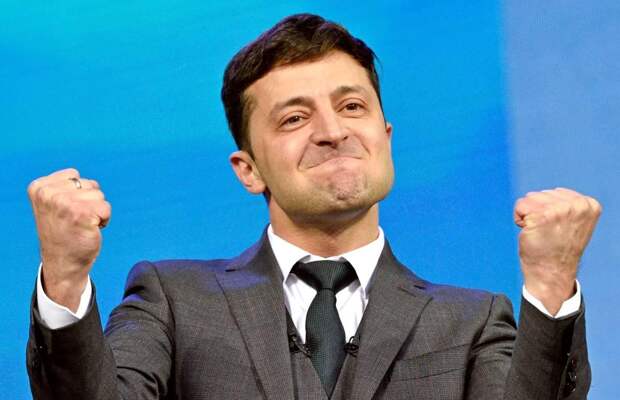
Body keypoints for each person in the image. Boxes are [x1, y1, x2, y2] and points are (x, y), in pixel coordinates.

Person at [26, 13, 600, 400]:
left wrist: (551, 285)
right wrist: (66, 277)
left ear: (386, 138)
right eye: (295, 118)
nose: (332, 132)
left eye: (352, 107)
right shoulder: (173, 300)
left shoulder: (473, 320)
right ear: (248, 169)